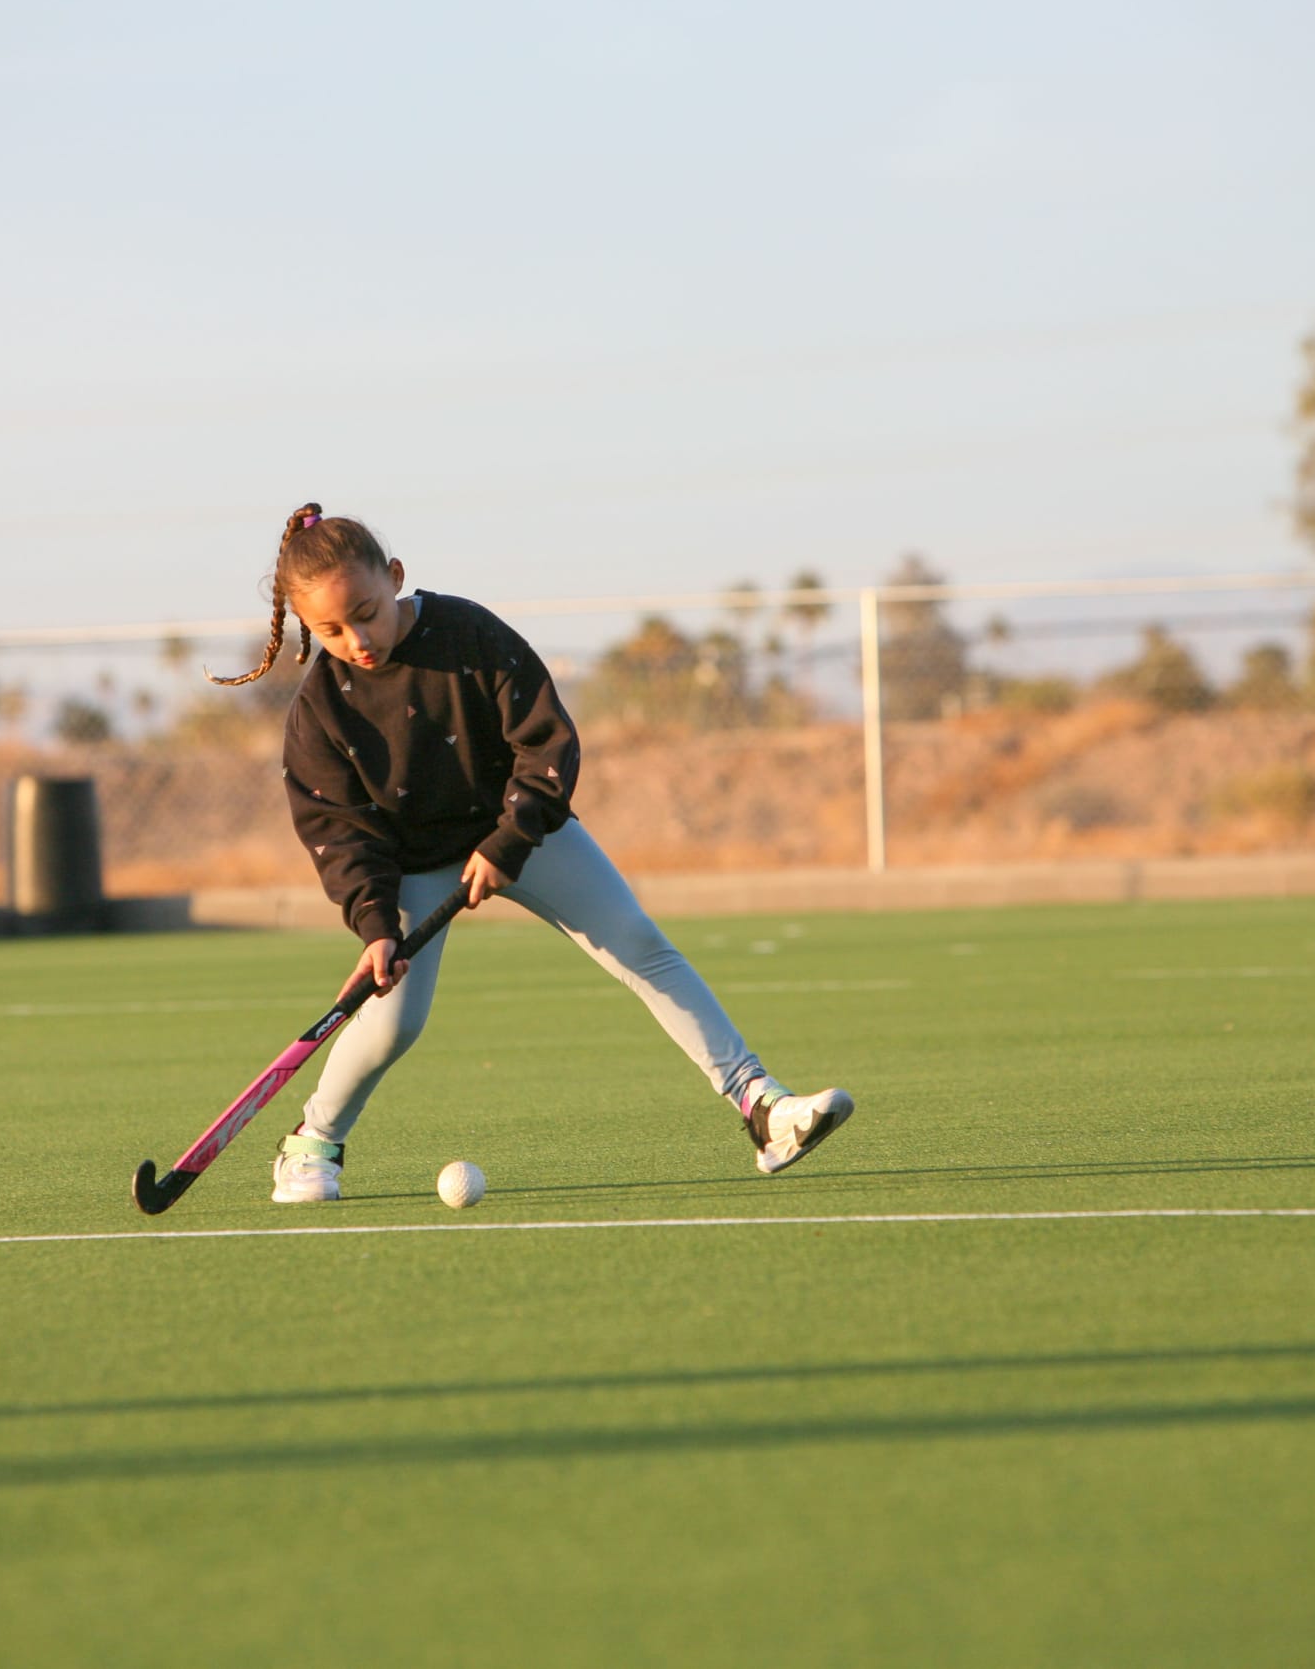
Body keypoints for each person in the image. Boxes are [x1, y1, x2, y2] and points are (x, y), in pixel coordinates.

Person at [211, 503, 855, 1203]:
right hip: (414, 864)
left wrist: (508, 841)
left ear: (394, 577)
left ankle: (761, 1107)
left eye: (367, 612)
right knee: (394, 1020)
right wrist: (375, 926)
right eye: (330, 630)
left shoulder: (469, 634)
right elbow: (339, 831)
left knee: (640, 943)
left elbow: (547, 741)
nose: (357, 639)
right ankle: (311, 1144)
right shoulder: (319, 712)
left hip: (521, 824)